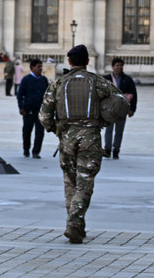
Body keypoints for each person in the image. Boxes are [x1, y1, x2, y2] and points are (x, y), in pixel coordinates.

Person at [39, 45, 118, 244]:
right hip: (90, 137)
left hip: (66, 138)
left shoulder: (58, 84)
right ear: (87, 62)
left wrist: (56, 130)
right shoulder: (98, 82)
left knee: (70, 182)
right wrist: (104, 121)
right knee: (85, 183)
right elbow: (119, 102)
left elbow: (44, 115)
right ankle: (74, 223)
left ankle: (76, 225)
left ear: (70, 62)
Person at [103, 57, 137, 159]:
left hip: (122, 109)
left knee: (119, 131)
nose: (119, 67)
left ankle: (116, 150)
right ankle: (107, 149)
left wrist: (132, 109)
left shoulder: (127, 79)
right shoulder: (106, 79)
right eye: (117, 65)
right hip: (109, 109)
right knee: (109, 130)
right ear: (112, 67)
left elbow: (134, 94)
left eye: (121, 65)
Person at [16, 58, 49, 159]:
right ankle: (26, 149)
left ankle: (36, 151)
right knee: (27, 131)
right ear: (32, 67)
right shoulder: (26, 79)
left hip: (41, 110)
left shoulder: (44, 80)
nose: (40, 68)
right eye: (38, 66)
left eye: (41, 66)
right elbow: (20, 94)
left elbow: (48, 94)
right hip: (29, 110)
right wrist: (21, 107)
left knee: (40, 132)